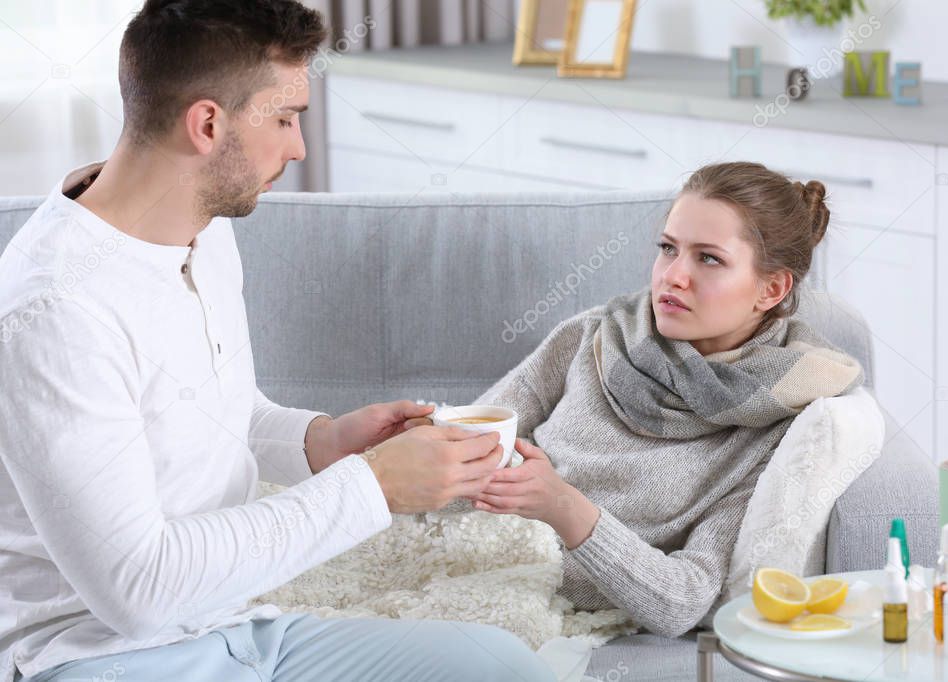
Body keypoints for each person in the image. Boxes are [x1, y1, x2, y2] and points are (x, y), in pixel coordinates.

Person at [0, 1, 553, 680]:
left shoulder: (201, 229)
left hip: (237, 627)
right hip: (96, 656)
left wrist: (324, 442)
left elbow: (218, 414)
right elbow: (137, 592)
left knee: (504, 667)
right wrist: (374, 486)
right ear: (207, 124)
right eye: (286, 119)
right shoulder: (56, 309)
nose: (298, 149)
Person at [467, 161, 868, 636]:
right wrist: (421, 441)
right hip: (462, 555)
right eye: (668, 249)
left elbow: (683, 602)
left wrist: (563, 506)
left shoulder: (780, 419)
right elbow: (472, 440)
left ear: (771, 289)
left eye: (709, 259)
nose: (673, 276)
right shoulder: (596, 334)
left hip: (539, 609)